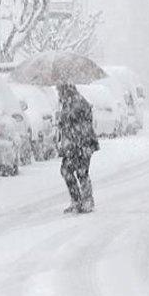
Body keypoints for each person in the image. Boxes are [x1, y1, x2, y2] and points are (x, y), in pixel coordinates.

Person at [56, 83, 99, 213]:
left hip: (82, 144)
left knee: (80, 172)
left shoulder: (77, 102)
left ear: (65, 90)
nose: (58, 93)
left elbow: (82, 123)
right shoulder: (67, 103)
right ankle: (77, 200)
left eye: (59, 90)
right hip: (73, 145)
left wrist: (67, 121)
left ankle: (86, 201)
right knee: (67, 170)